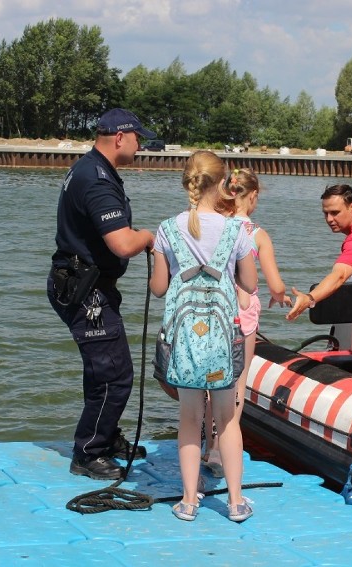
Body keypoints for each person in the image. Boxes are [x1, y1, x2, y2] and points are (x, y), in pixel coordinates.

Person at [47, 108, 156, 480]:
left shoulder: (92, 169)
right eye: (139, 138)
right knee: (113, 374)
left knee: (104, 370)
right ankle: (89, 451)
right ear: (120, 137)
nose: (142, 145)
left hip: (86, 282)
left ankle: (105, 437)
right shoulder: (96, 180)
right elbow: (123, 243)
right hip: (85, 288)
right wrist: (149, 236)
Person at [149, 151, 258, 522]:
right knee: (226, 420)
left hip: (185, 344)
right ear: (223, 182)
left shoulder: (166, 229)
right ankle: (235, 502)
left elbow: (160, 289)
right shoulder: (235, 231)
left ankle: (189, 501)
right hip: (223, 342)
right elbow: (250, 283)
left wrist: (158, 258)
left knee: (190, 419)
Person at [202, 168, 291, 475]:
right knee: (237, 382)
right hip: (243, 312)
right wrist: (281, 296)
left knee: (213, 379)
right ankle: (222, 450)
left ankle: (207, 445)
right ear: (252, 196)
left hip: (213, 308)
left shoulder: (213, 226)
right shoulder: (256, 234)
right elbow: (275, 284)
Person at [286, 184, 352, 321]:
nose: (329, 219)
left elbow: (339, 276)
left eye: (335, 213)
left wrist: (309, 298)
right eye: (325, 213)